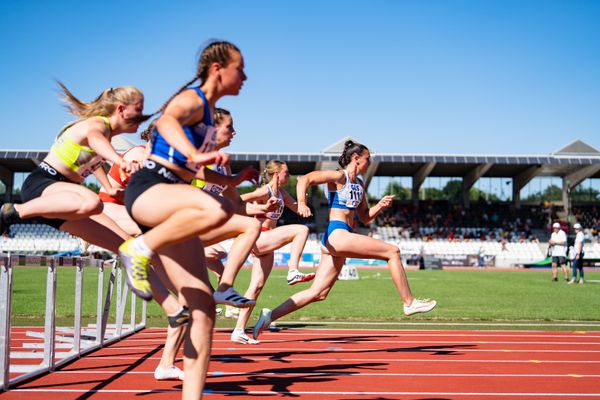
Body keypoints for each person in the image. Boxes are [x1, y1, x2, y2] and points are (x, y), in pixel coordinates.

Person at [119, 40, 246, 399]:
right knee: (217, 209)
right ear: (218, 69)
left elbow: (195, 172)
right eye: (241, 68)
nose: (246, 76)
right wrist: (195, 153)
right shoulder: (194, 100)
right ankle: (138, 249)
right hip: (150, 191)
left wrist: (234, 179)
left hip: (173, 201)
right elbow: (166, 120)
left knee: (203, 310)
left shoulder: (210, 115)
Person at [253, 140, 436, 340]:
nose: (370, 162)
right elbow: (304, 179)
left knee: (318, 293)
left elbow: (365, 216)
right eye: (368, 159)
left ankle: (269, 315)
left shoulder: (359, 184)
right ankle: (408, 302)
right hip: (337, 233)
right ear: (356, 159)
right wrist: (303, 203)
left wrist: (380, 206)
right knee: (392, 251)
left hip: (340, 238)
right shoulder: (339, 176)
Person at [231, 160, 316, 344]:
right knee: (301, 231)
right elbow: (237, 201)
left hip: (267, 243)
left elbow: (300, 210)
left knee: (256, 287)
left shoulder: (282, 194)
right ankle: (293, 271)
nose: (289, 175)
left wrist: (303, 200)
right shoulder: (265, 191)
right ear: (277, 174)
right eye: (287, 172)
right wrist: (259, 208)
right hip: (259, 237)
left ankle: (238, 330)